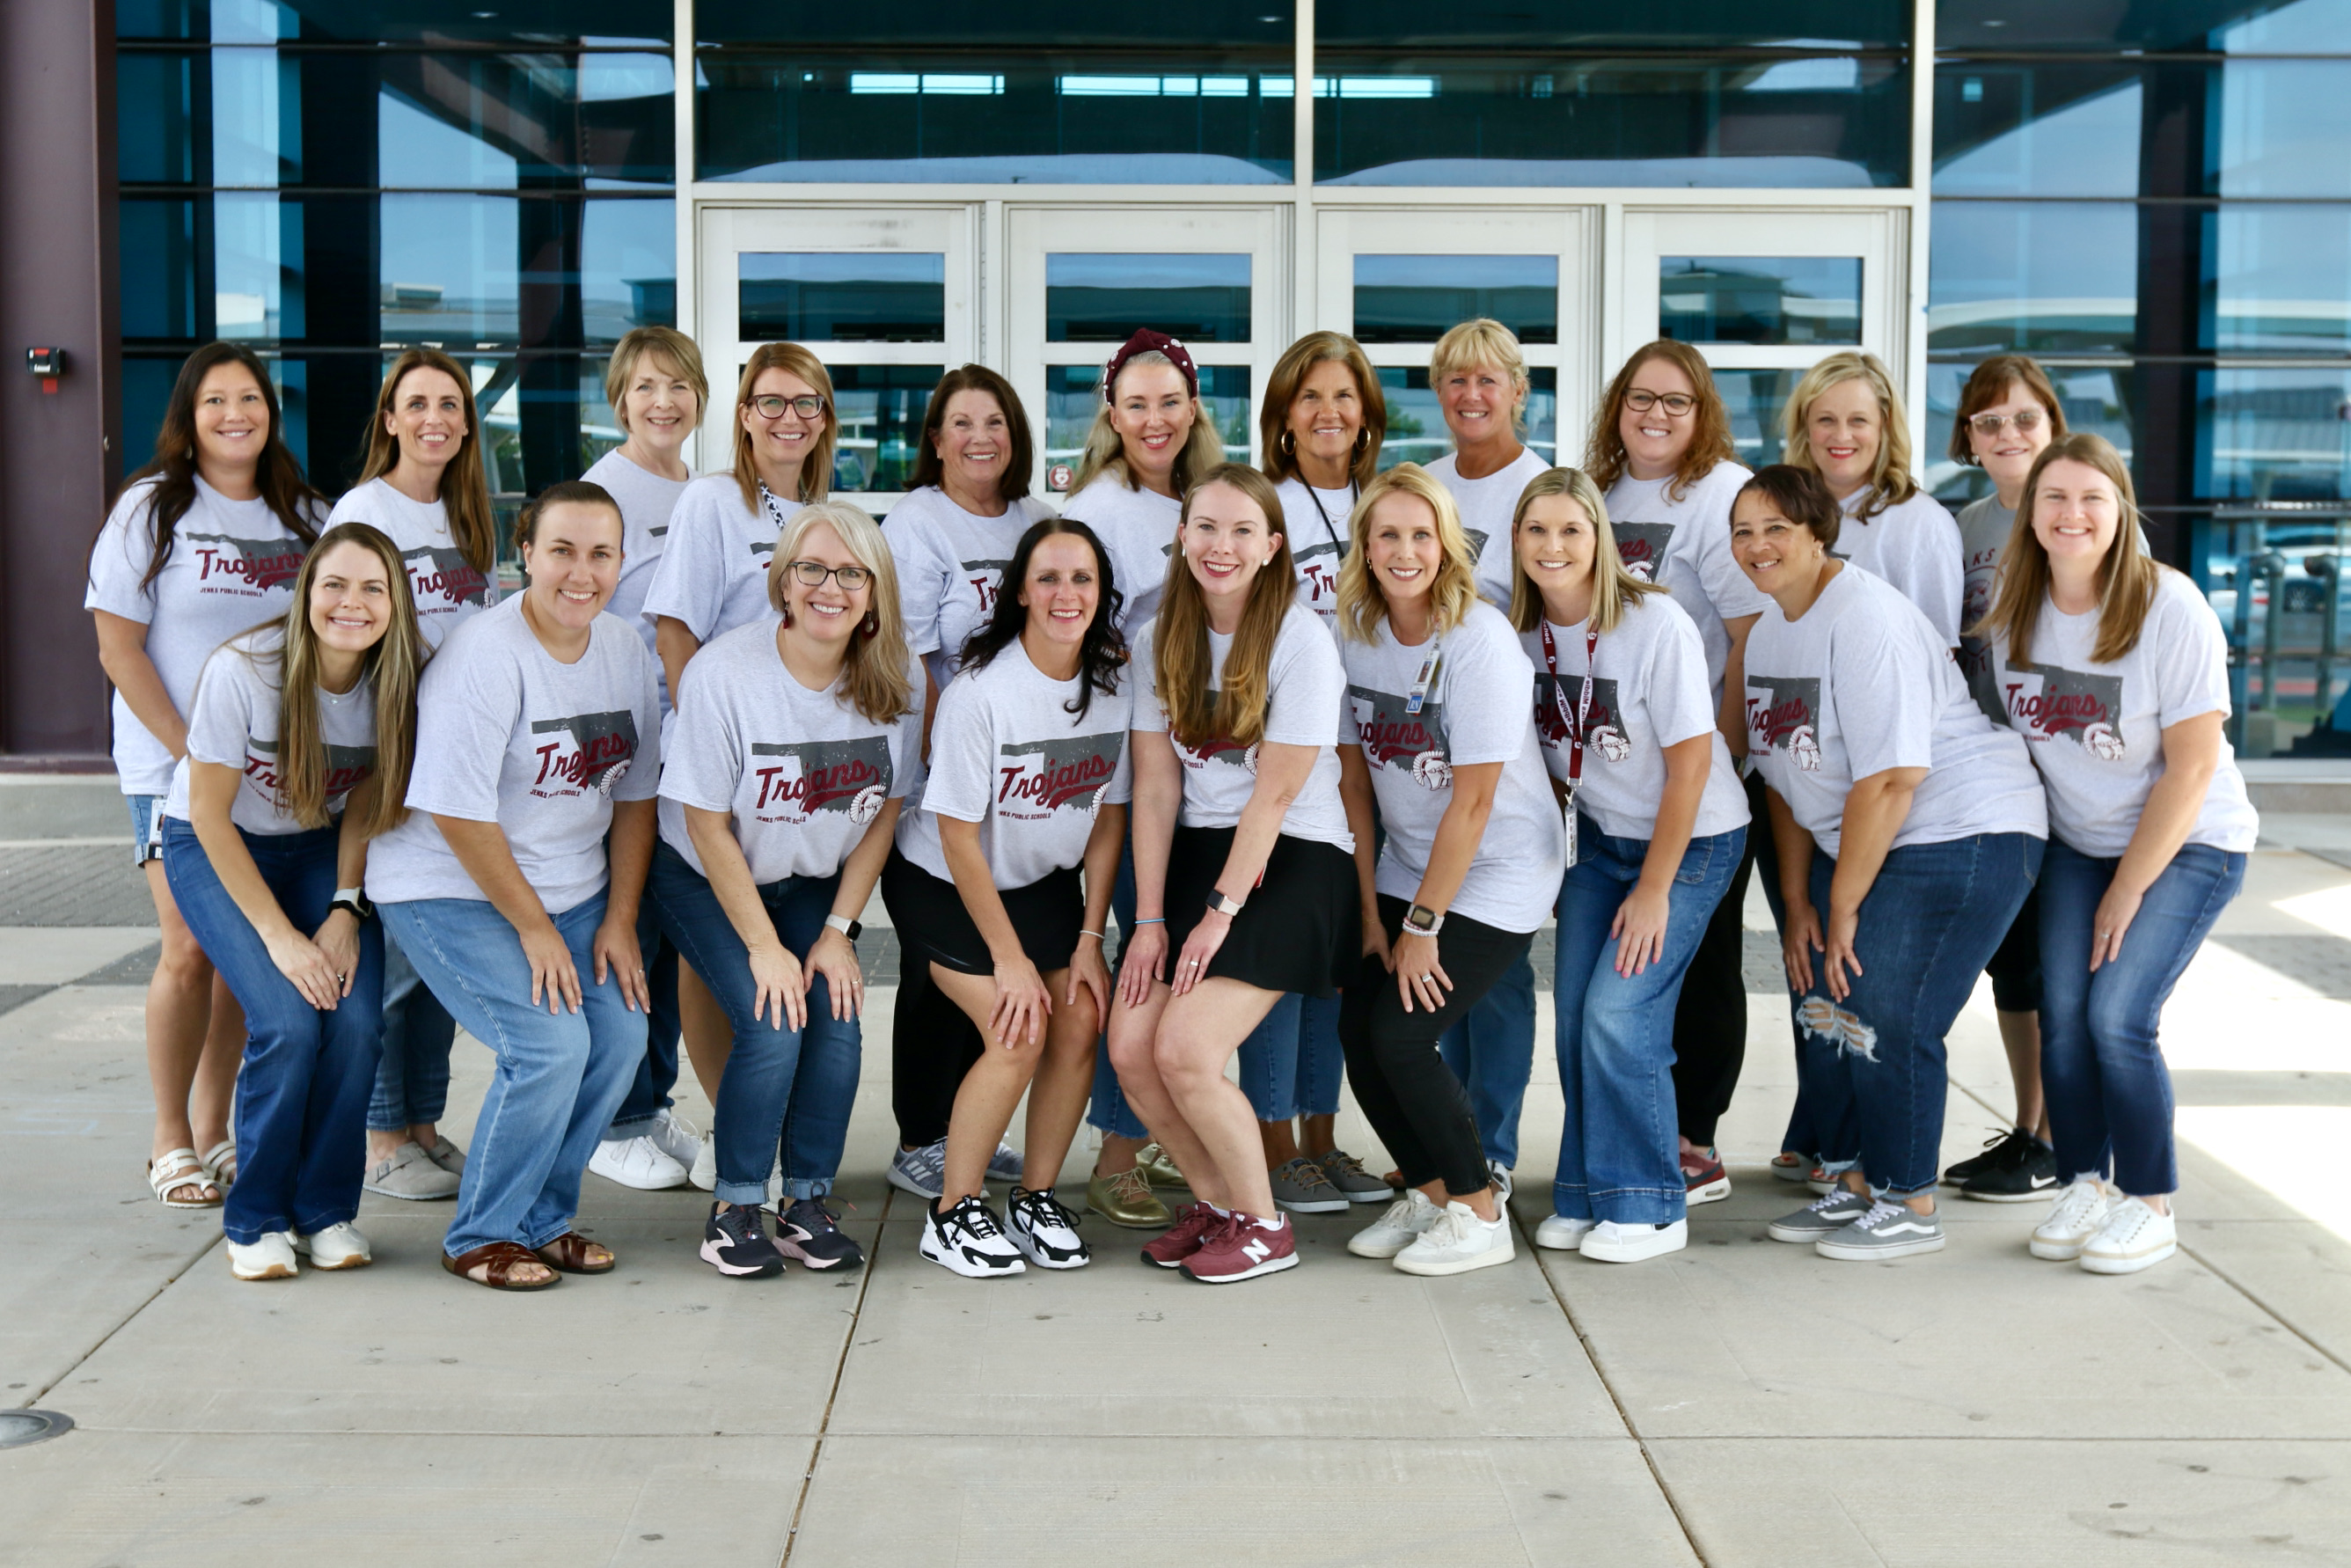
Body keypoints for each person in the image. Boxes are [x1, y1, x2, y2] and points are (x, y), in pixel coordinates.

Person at [1733, 465, 2047, 1262]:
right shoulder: (1771, 629)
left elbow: (1891, 776)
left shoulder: (1864, 616)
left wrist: (1842, 906)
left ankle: (1909, 1198)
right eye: (1742, 531)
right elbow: (1781, 775)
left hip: (1966, 827)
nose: (1757, 546)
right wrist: (1799, 902)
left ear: (1816, 533)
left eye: (1776, 528)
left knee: (1886, 1007)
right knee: (1839, 1007)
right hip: (1887, 834)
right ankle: (1861, 1184)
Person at [366, 481, 663, 1290]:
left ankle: (542, 1218)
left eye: (601, 554)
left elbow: (635, 797)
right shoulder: (485, 655)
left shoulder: (626, 650)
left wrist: (621, 919)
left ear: (621, 563)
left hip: (573, 886)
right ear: (523, 554)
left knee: (620, 1040)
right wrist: (534, 928)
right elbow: (460, 818)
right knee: (548, 1045)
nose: (582, 572)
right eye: (561, 550)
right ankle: (483, 1234)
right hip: (449, 883)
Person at [1980, 434, 2258, 1275]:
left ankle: (2149, 1202)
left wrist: (2127, 889)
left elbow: (2195, 763)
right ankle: (2082, 1183)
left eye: (2092, 499)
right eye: (2055, 499)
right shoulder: (2013, 611)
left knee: (2118, 1019)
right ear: (2030, 516)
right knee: (2062, 1019)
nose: (2072, 515)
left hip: (2189, 843)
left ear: (2120, 510)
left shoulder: (2168, 607)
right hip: (2078, 846)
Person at [650, 502, 919, 1279]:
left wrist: (837, 931)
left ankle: (805, 1201)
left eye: (850, 573)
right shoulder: (726, 673)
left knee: (835, 1010)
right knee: (774, 1017)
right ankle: (735, 1207)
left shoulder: (892, 680)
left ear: (873, 591)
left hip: (806, 879)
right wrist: (766, 949)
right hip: (704, 871)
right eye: (811, 568)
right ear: (783, 580)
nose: (829, 587)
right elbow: (704, 825)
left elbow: (884, 814)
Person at [88, 341, 325, 1212]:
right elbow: (118, 646)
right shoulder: (150, 509)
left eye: (251, 400)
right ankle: (169, 1137)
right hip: (171, 763)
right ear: (188, 419)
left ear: (271, 413)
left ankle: (218, 1128)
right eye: (215, 401)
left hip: (275, 776)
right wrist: (190, 750)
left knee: (238, 955)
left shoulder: (303, 514)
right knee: (189, 947)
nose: (235, 415)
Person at [1108, 465, 1359, 1285]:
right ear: (1182, 537)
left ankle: (1263, 1225)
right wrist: (1148, 919)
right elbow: (1153, 787)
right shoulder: (1158, 639)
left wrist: (1218, 913)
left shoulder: (1300, 639)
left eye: (1242, 531)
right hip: (1196, 854)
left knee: (1185, 1047)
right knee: (1132, 1049)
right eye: (1207, 527)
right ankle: (1217, 1205)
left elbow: (1278, 794)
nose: (1222, 546)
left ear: (1271, 546)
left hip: (1294, 858)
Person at [159, 522, 421, 1278]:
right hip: (214, 843)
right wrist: (280, 938)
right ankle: (258, 1219)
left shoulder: (397, 680)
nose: (353, 603)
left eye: (374, 588)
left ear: (395, 603)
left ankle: (326, 1209)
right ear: (307, 591)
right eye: (335, 584)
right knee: (285, 1022)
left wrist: (345, 908)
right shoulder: (246, 670)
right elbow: (207, 814)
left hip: (317, 847)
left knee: (357, 1022)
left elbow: (367, 800)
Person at [1504, 469, 1748, 1264]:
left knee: (1620, 1014)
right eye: (1536, 530)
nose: (1554, 546)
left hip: (1690, 842)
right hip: (1599, 842)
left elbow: (1689, 768)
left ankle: (1651, 1202)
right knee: (1575, 1019)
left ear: (1601, 539)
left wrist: (1653, 891)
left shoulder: (1655, 623)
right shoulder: (1519, 631)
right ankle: (1587, 1189)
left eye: (1572, 530)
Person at [1330, 465, 1564, 1277]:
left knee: (1402, 1033)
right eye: (1387, 534)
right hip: (1405, 860)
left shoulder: (1478, 640)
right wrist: (1370, 912)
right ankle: (1430, 1191)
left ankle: (1477, 1206)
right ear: (1365, 545)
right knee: (1358, 1029)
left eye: (1421, 535)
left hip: (1498, 865)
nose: (1404, 551)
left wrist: (1421, 927)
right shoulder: (1351, 631)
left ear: (1447, 545)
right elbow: (1354, 780)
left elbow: (1474, 803)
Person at [883, 518, 1131, 1277]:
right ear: (1019, 590)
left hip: (1042, 887)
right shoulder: (979, 694)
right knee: (1017, 1027)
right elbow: (957, 838)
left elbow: (1110, 818)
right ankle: (952, 1214)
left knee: (1083, 1016)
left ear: (1101, 594)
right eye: (1049, 578)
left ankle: (1035, 1197)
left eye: (1082, 579)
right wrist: (1011, 959)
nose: (1066, 594)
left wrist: (1090, 939)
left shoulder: (1113, 688)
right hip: (944, 884)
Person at [638, 342, 838, 1154]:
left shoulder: (820, 510)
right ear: (745, 415)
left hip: (793, 776)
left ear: (824, 421)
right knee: (708, 958)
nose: (788, 418)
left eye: (806, 404)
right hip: (722, 767)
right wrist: (705, 743)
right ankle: (732, 1123)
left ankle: (759, 1120)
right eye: (771, 402)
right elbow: (676, 629)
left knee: (765, 950)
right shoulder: (714, 503)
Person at [1585, 340, 1769, 1207]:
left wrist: (1717, 756)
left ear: (1702, 414)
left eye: (1675, 402)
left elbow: (1744, 639)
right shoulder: (1600, 493)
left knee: (1701, 962)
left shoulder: (1718, 493)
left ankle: (1695, 1137)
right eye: (1639, 399)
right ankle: (1636, 1129)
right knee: (1634, 967)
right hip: (1614, 778)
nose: (1654, 416)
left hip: (1695, 772)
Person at [880, 364, 1054, 1210]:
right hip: (948, 764)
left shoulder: (1035, 521)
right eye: (962, 423)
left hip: (1022, 774)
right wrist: (957, 754)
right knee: (937, 963)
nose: (980, 436)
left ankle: (970, 1125)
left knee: (992, 954)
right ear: (937, 440)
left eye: (995, 421)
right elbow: (911, 657)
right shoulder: (916, 521)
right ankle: (921, 1137)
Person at [329, 348, 502, 1203]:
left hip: (449, 764)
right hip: (384, 759)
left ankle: (426, 1125)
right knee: (393, 956)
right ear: (390, 419)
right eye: (417, 403)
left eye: (449, 404)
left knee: (437, 954)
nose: (434, 417)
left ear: (467, 424)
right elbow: (340, 626)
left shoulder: (465, 515)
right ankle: (382, 1135)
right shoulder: (366, 510)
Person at [1063, 330, 1228, 1220]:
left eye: (1169, 401)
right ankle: (1115, 1154)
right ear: (1111, 413)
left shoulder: (1211, 498)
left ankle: (1155, 1134)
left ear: (1192, 405)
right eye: (1136, 403)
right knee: (1143, 954)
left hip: (1213, 766)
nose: (1154, 418)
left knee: (1188, 965)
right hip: (1136, 770)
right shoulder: (1097, 508)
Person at [1245, 330, 1395, 1212]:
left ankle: (1321, 1138)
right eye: (1309, 398)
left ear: (1367, 413)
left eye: (1344, 397)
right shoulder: (1267, 505)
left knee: (1336, 962)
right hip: (1290, 758)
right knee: (1280, 963)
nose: (1328, 413)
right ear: (1282, 417)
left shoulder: (1387, 501)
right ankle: (1272, 1148)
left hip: (1368, 757)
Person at [1423, 318, 1552, 1195]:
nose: (1471, 396)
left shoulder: (1540, 487)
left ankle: (1491, 1145)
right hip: (1425, 748)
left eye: (1488, 380)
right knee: (1441, 961)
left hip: (1515, 744)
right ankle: (1446, 1130)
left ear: (1517, 390)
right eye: (1454, 381)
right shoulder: (1423, 486)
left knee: (1494, 962)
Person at [582, 326, 711, 1195]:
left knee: (665, 942)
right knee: (622, 931)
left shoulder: (700, 490)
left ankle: (650, 1103)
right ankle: (614, 1119)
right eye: (645, 387)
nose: (662, 402)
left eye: (677, 386)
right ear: (619, 398)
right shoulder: (603, 486)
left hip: (685, 753)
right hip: (625, 749)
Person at [1941, 355, 2071, 1202]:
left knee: (2065, 965)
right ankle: (2032, 1130)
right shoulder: (1966, 527)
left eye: (2025, 417)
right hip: (1999, 774)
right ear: (1969, 439)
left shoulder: (2085, 512)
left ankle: (2062, 1135)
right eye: (1990, 422)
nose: (2008, 434)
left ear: (2053, 425)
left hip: (2077, 776)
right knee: (2016, 966)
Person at [1781, 350, 1965, 645]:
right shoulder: (1783, 514)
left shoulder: (1922, 524)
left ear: (1885, 426)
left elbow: (1937, 654)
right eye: (1826, 420)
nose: (1841, 436)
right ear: (1805, 428)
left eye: (1858, 421)